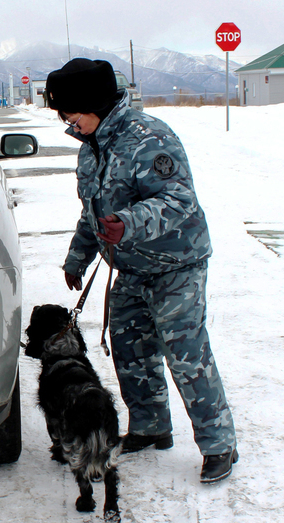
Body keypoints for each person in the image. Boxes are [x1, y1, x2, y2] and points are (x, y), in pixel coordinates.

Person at [45, 58, 237, 483]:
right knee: (130, 350)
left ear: (96, 104)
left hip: (176, 265)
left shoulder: (149, 138)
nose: (69, 123)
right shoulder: (90, 150)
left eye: (73, 114)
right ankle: (151, 427)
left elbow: (178, 200)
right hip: (130, 267)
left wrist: (129, 222)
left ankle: (219, 443)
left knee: (186, 355)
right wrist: (78, 257)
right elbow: (91, 214)